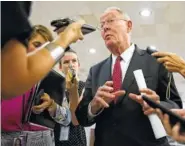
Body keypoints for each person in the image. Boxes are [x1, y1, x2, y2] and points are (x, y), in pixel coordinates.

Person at [75, 7, 182, 146]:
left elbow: (175, 105)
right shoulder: (95, 71)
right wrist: (93, 106)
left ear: (129, 25)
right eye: (102, 25)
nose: (105, 27)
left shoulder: (156, 61)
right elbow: (82, 117)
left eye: (111, 21)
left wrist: (158, 106)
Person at [1, 25, 71, 146]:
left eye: (46, 48)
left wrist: (53, 106)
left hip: (40, 139)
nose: (42, 52)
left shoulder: (54, 80)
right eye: (37, 45)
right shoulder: (6, 75)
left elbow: (67, 119)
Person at [1, 1, 85, 99]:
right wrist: (65, 38)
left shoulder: (56, 82)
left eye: (74, 61)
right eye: (37, 45)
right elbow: (12, 82)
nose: (40, 52)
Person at [54, 49, 87, 146]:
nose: (71, 64)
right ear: (60, 67)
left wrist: (73, 90)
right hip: (56, 137)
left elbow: (75, 119)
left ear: (78, 65)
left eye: (74, 61)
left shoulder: (85, 87)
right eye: (66, 62)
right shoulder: (55, 88)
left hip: (77, 137)